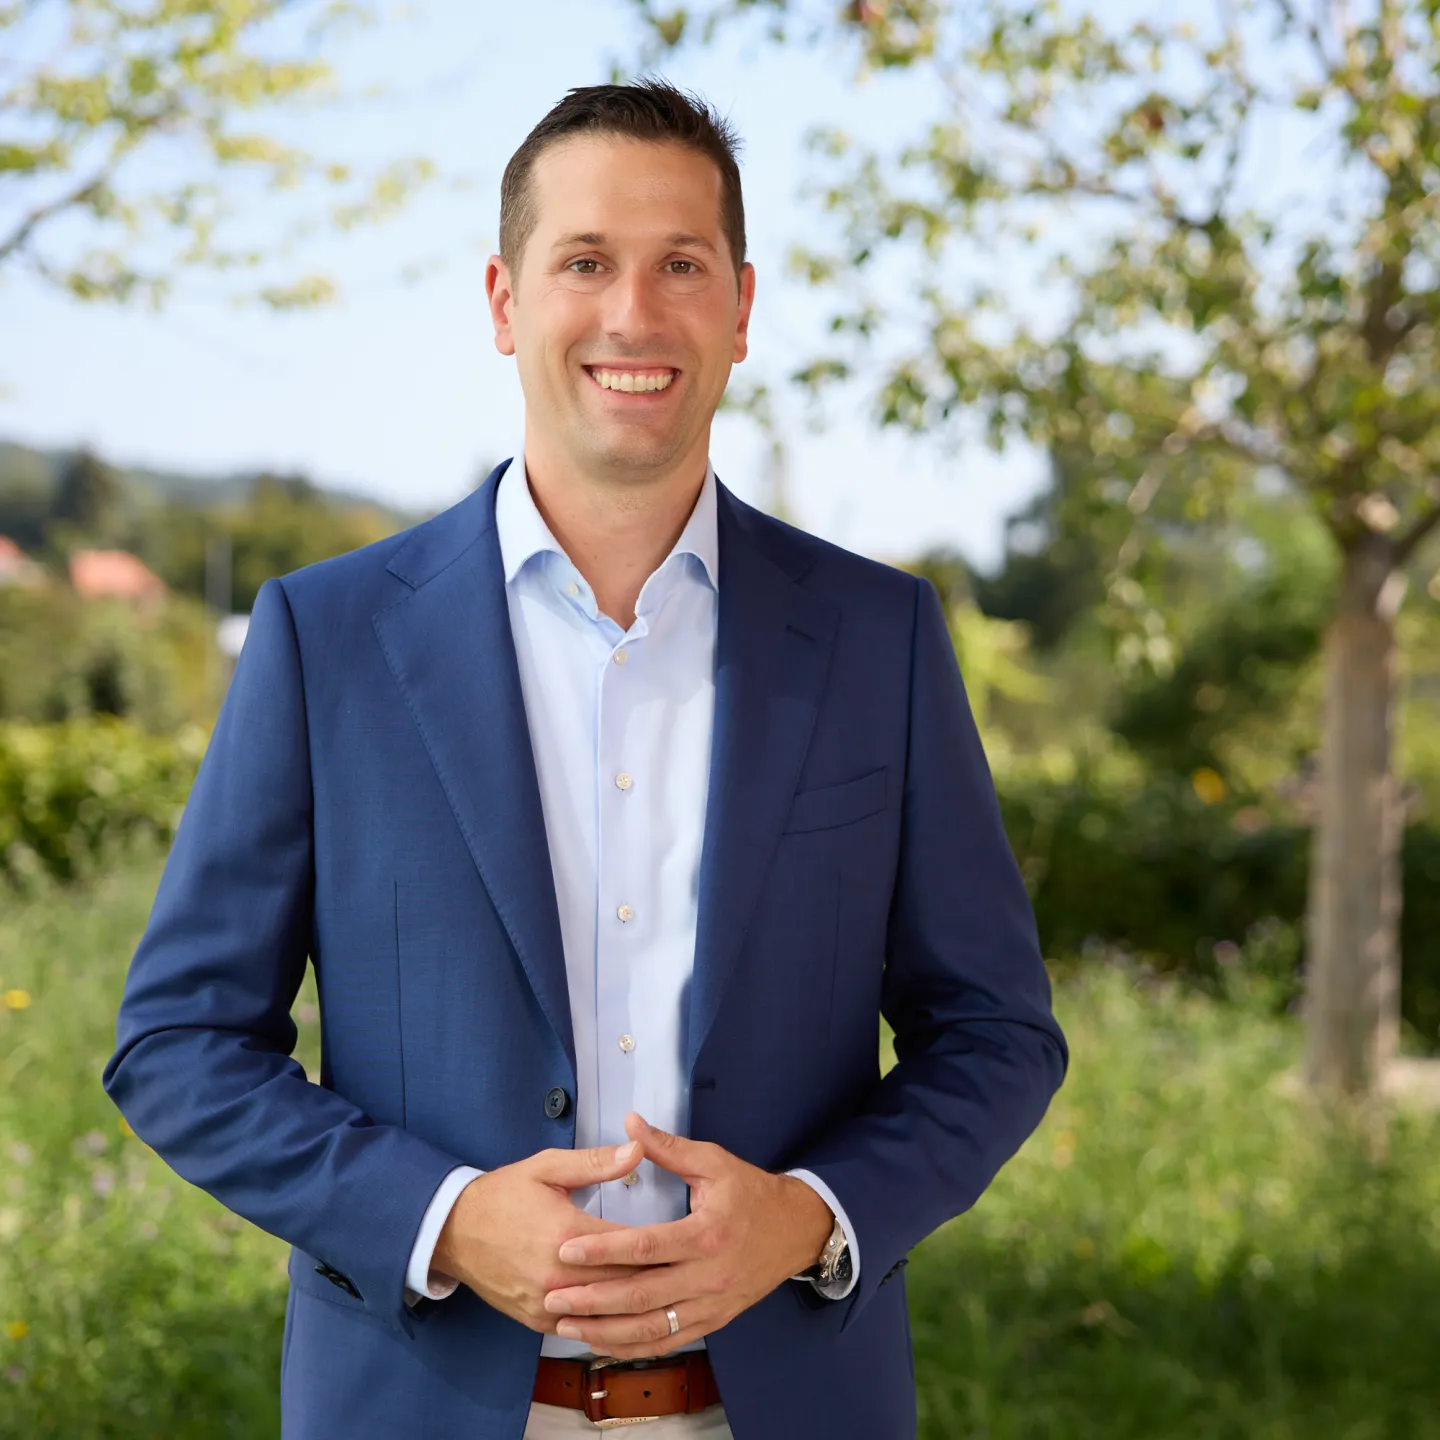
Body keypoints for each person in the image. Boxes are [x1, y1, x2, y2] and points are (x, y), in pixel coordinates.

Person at [103, 79, 1067, 1439]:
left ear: (741, 305)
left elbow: (998, 1034)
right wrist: (437, 1219)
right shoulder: (325, 637)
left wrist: (807, 1218)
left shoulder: (879, 636)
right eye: (585, 263)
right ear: (504, 302)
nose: (634, 313)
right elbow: (179, 1043)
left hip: (780, 1407)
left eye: (682, 264)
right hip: (421, 1402)